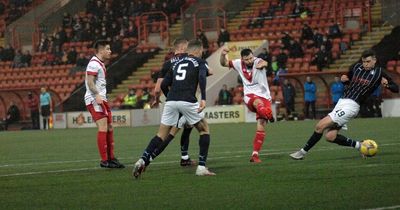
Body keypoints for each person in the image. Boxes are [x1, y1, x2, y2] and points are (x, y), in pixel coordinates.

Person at [290, 50, 399, 160]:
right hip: (342, 102)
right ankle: (360, 146)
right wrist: (344, 80)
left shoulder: (380, 73)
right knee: (330, 137)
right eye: (363, 62)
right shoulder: (357, 67)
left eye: (368, 61)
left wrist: (387, 85)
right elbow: (349, 82)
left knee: (320, 126)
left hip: (352, 106)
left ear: (374, 60)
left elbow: (396, 88)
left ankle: (302, 152)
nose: (365, 64)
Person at [133, 40, 215, 178]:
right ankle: (201, 167)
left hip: (171, 102)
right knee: (204, 130)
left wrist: (169, 97)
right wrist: (204, 99)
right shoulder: (199, 62)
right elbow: (202, 76)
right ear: (198, 51)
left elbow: (164, 84)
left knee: (161, 135)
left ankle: (143, 159)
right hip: (188, 101)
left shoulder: (175, 63)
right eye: (201, 51)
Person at [220, 48, 274, 163]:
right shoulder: (238, 63)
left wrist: (262, 64)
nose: (249, 61)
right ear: (242, 59)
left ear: (253, 56)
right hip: (250, 96)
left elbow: (265, 62)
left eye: (250, 58)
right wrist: (222, 55)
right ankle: (267, 113)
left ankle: (255, 155)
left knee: (261, 125)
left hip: (265, 96)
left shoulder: (258, 61)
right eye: (246, 59)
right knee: (258, 103)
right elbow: (224, 63)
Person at [151, 38, 197, 167]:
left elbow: (157, 89)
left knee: (187, 126)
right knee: (171, 133)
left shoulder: (167, 64)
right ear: (182, 48)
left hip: (171, 101)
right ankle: (147, 159)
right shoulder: (189, 61)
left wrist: (157, 99)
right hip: (185, 99)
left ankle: (185, 157)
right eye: (187, 46)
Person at [84, 40, 124, 169]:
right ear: (101, 51)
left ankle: (111, 158)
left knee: (109, 127)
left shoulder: (100, 63)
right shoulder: (94, 64)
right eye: (108, 49)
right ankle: (104, 160)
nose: (110, 51)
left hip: (101, 98)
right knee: (103, 127)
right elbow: (90, 82)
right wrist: (96, 95)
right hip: (94, 98)